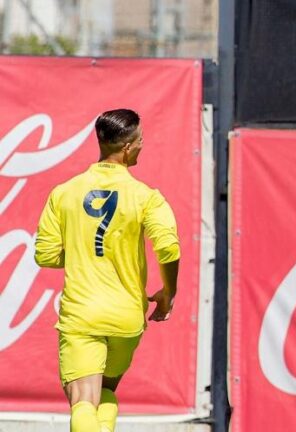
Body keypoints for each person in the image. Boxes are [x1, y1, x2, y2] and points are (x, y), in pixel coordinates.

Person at [34, 109, 180, 432]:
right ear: (127, 148)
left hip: (82, 315)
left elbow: (45, 255)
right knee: (104, 393)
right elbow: (169, 248)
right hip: (127, 318)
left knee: (83, 401)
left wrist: (82, 251)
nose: (142, 145)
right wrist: (168, 293)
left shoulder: (64, 192)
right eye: (140, 140)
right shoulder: (146, 197)